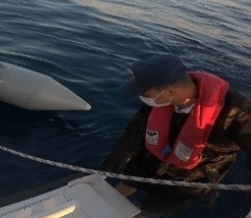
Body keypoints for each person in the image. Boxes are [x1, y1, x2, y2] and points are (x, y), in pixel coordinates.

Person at [99, 54, 251, 216]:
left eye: (146, 95)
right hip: (151, 157)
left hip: (192, 176)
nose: (143, 98)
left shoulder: (239, 113)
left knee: (151, 211)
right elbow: (134, 132)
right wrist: (110, 165)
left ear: (171, 91)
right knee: (129, 181)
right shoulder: (159, 100)